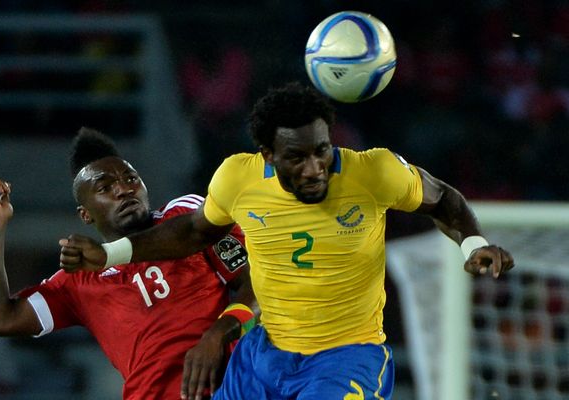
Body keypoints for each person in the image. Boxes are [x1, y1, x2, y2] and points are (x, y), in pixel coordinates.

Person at [58, 82, 515, 400]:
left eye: (322, 150)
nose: (315, 168)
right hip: (263, 355)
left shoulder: (373, 172)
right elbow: (192, 232)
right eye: (296, 158)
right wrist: (109, 255)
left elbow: (444, 200)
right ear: (268, 155)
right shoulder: (238, 178)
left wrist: (473, 244)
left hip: (344, 358)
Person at [0, 127, 258, 400]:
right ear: (85, 215)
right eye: (105, 187)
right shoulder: (79, 280)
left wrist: (218, 334)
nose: (124, 190)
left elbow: (258, 284)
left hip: (234, 389)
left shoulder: (186, 218)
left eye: (131, 178)